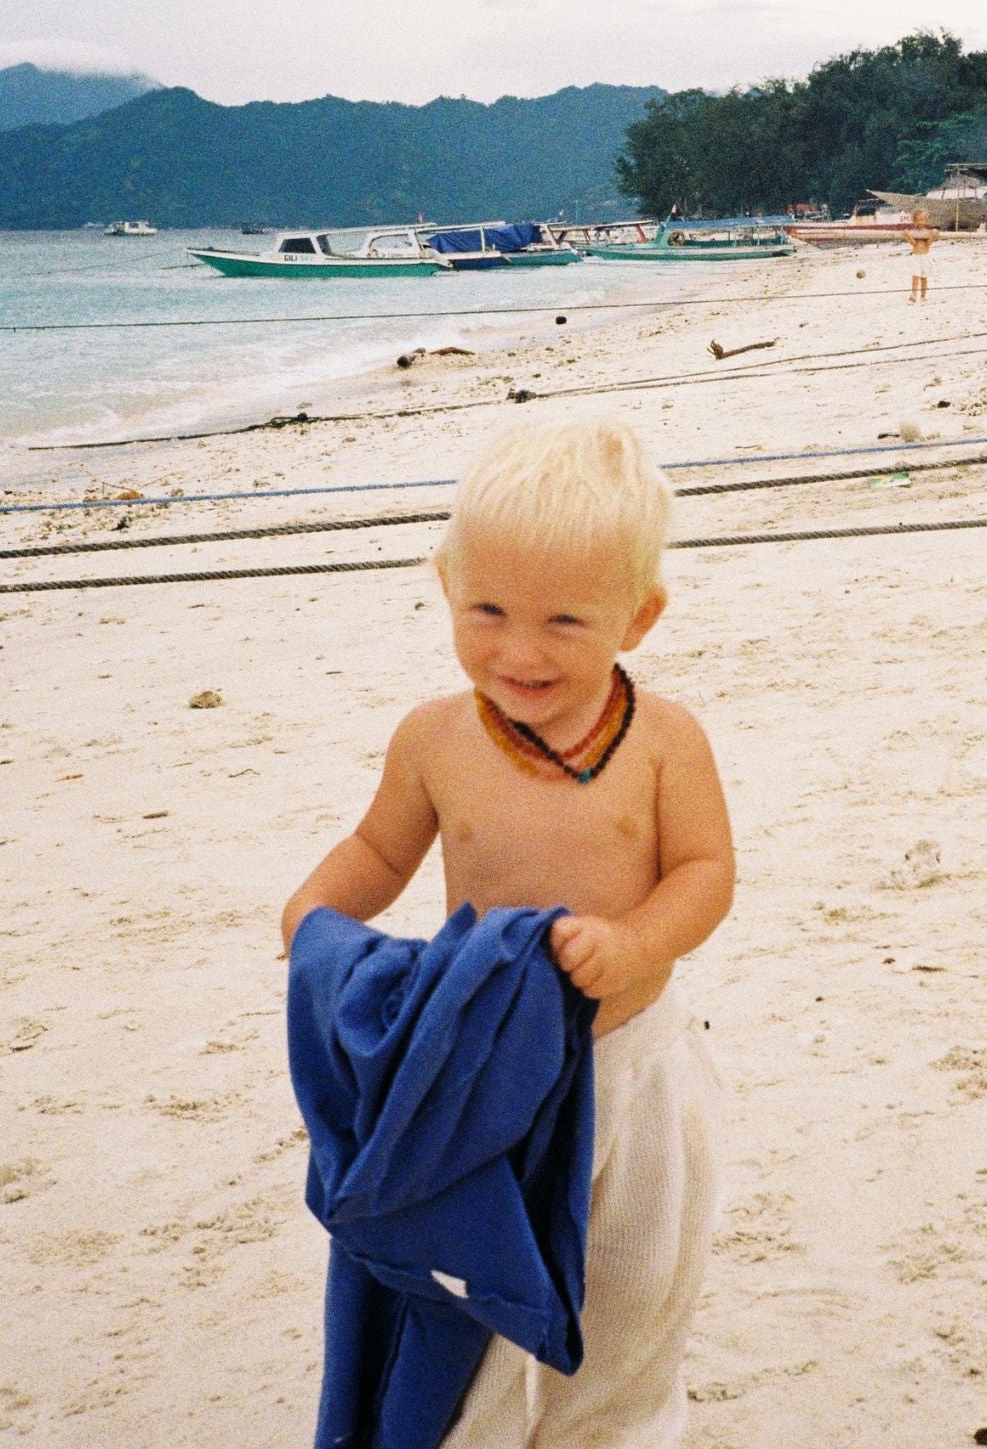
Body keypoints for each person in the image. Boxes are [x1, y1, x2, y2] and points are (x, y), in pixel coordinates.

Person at [281, 420, 736, 1448]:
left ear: (639, 616)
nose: (519, 649)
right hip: (491, 1075)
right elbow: (377, 848)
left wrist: (636, 942)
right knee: (476, 1306)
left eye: (565, 620)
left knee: (634, 1294)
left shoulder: (665, 741)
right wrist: (314, 916)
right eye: (487, 608)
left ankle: (611, 1434)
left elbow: (706, 874)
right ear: (445, 581)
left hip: (635, 1063)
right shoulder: (435, 737)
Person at [905, 212, 936, 302]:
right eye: (917, 220)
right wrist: (908, 235)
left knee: (924, 277)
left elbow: (928, 244)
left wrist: (933, 235)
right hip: (916, 257)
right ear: (914, 222)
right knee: (915, 276)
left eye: (922, 220)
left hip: (925, 256)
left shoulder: (927, 232)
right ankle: (914, 295)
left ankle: (923, 295)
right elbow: (914, 244)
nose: (920, 222)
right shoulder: (913, 233)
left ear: (926, 221)